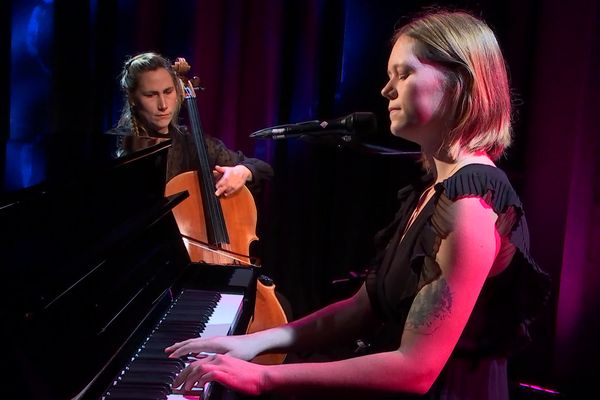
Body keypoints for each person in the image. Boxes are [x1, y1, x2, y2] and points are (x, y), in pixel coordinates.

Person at [164, 10, 550, 399]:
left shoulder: (471, 200)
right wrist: (254, 342)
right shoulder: (434, 187)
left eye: (403, 73)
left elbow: (415, 370)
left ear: (458, 83)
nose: (386, 90)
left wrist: (261, 378)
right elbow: (362, 308)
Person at [106, 52, 273, 197]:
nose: (163, 105)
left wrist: (241, 172)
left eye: (168, 91)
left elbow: (262, 168)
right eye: (151, 95)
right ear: (133, 99)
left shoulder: (189, 144)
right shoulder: (116, 144)